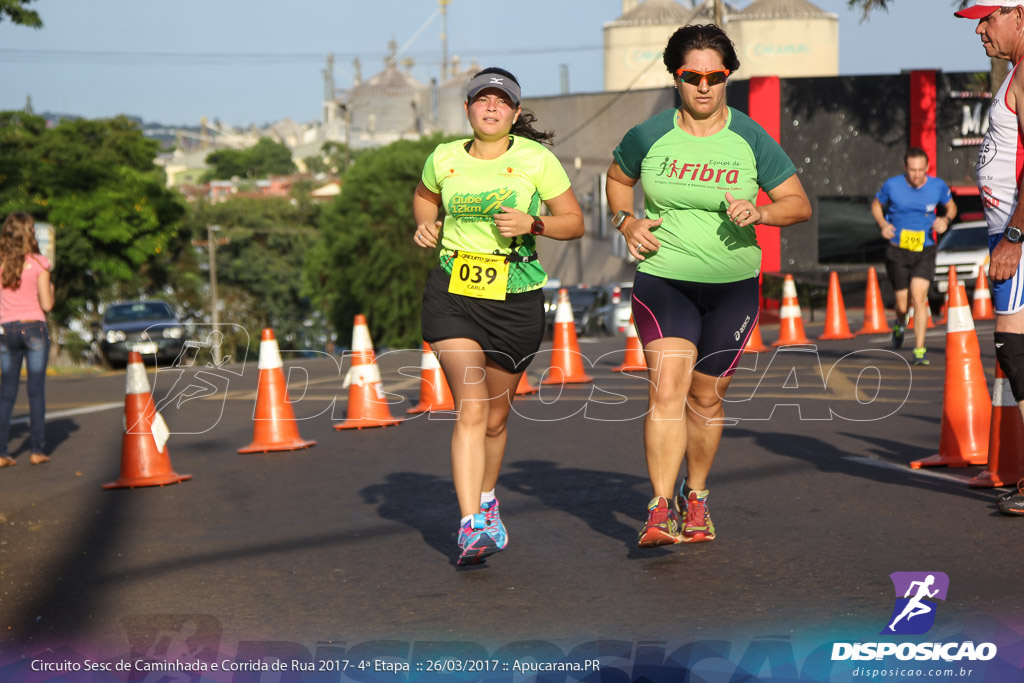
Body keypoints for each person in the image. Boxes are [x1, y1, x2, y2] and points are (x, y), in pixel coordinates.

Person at [605, 24, 811, 548]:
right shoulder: (648, 135)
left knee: (706, 397)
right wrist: (626, 223)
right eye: (691, 76)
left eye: (714, 76)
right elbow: (616, 179)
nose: (703, 86)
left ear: (727, 78)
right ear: (676, 77)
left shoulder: (750, 138)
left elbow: (799, 204)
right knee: (667, 390)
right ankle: (658, 507)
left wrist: (760, 210)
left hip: (733, 285)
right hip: (664, 278)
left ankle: (695, 496)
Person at [412, 67, 585, 564]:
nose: (491, 108)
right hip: (453, 292)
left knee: (495, 416)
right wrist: (427, 226)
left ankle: (487, 501)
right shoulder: (443, 158)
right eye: (481, 100)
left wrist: (534, 222)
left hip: (515, 296)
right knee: (470, 406)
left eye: (501, 102)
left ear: (513, 111)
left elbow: (573, 222)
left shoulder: (536, 160)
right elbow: (425, 199)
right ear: (467, 109)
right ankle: (470, 525)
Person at [954, 0, 1024, 516]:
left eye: (988, 17)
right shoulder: (1015, 72)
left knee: (1015, 349)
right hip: (1010, 230)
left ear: (1019, 13)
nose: (980, 29)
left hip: (1017, 234)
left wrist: (1014, 236)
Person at [871, 148, 957, 366]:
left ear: (927, 167)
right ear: (905, 168)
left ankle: (919, 350)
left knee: (919, 299)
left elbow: (952, 207)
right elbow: (876, 205)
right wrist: (883, 224)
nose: (917, 175)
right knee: (902, 306)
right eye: (912, 170)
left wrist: (946, 220)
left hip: (925, 250)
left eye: (921, 170)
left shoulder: (937, 186)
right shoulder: (892, 185)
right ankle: (900, 324)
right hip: (897, 250)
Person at [0, 211, 54, 468]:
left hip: (5, 332)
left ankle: (1, 452)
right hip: (34, 330)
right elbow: (47, 304)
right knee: (36, 391)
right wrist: (50, 291)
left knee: (6, 393)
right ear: (29, 233)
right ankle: (36, 450)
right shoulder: (39, 262)